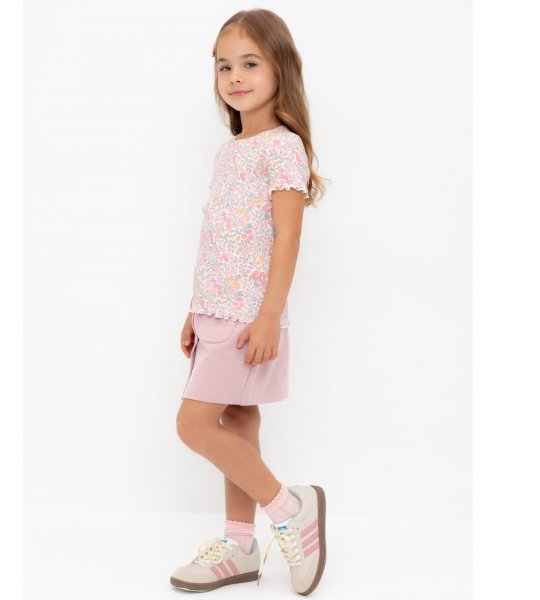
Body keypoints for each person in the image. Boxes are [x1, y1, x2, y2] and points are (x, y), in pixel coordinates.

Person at [170, 9, 329, 596]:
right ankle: (240, 544)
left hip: (247, 318)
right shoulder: (230, 150)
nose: (235, 76)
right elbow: (220, 236)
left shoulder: (282, 148)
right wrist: (195, 307)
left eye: (250, 63)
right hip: (215, 309)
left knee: (192, 424)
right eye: (224, 66)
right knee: (236, 420)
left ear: (280, 69)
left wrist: (268, 317)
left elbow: (287, 237)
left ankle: (288, 509)